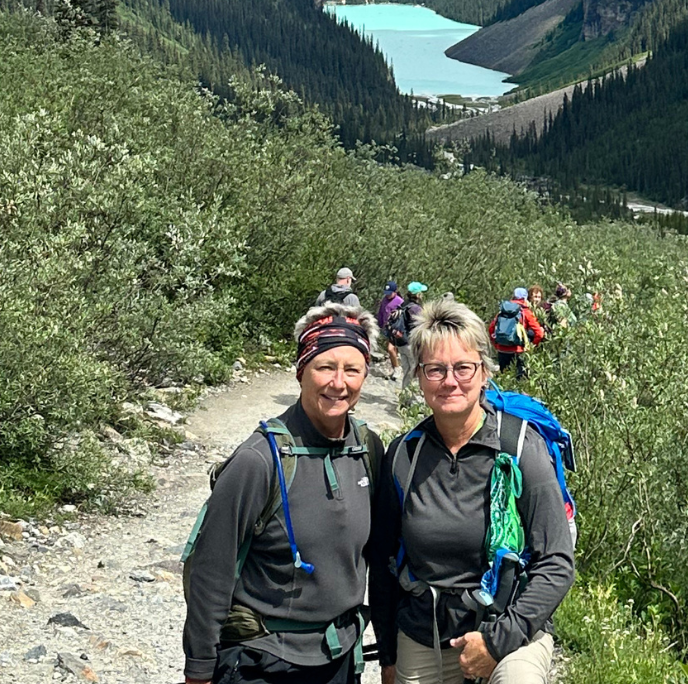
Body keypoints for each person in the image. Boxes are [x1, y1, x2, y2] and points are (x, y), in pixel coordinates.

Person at [370, 297, 575, 684]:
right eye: (435, 369)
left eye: (464, 367)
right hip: (424, 631)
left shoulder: (519, 447)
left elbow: (556, 561)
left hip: (510, 625)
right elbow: (382, 563)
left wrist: (497, 643)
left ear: (484, 372)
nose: (450, 381)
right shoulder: (404, 456)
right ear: (418, 377)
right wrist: (387, 655)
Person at [182, 305, 384, 684]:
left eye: (352, 370)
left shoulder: (367, 450)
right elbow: (212, 567)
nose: (338, 383)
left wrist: (387, 650)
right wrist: (199, 668)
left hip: (339, 658)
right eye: (325, 367)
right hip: (261, 659)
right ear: (301, 371)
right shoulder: (259, 460)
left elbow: (380, 555)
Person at [488, 288, 544, 380]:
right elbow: (539, 333)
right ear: (525, 298)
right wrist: (532, 345)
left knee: (504, 379)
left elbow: (491, 329)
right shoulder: (525, 312)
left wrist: (496, 344)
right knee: (520, 381)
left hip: (502, 350)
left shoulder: (503, 310)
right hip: (518, 350)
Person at [395, 283, 427, 391]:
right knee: (415, 371)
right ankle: (412, 400)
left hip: (401, 342)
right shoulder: (415, 309)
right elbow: (420, 326)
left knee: (407, 371)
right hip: (410, 343)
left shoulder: (404, 304)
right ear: (417, 294)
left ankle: (405, 398)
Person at [377, 281, 405, 380]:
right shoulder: (384, 300)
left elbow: (404, 316)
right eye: (386, 293)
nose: (388, 295)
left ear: (395, 292)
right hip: (387, 328)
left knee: (390, 349)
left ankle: (398, 369)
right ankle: (396, 368)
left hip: (397, 329)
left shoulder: (400, 301)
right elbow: (381, 312)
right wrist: (380, 324)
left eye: (390, 293)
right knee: (391, 350)